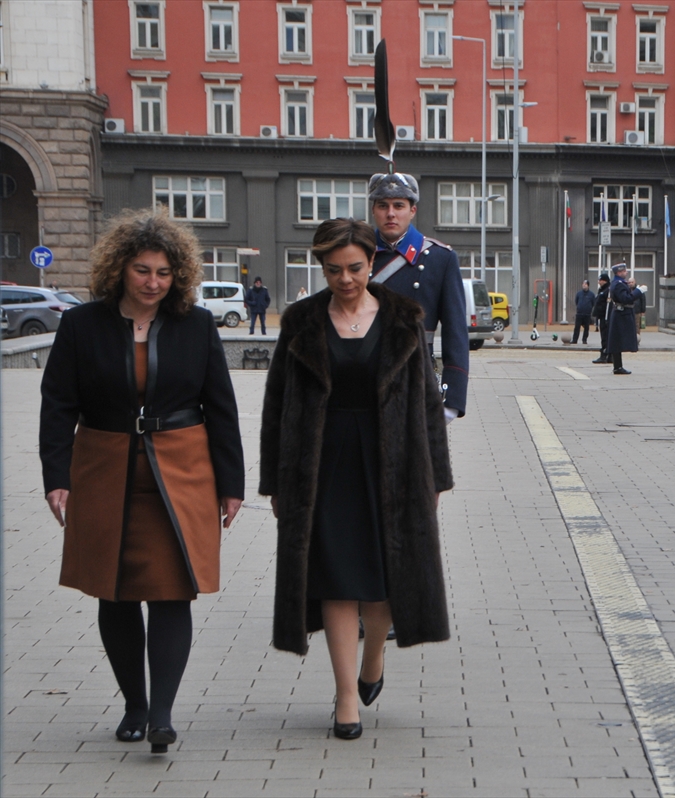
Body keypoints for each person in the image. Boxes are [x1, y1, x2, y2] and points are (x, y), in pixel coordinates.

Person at [39, 207, 244, 755]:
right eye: (143, 271)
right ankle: (133, 701)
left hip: (180, 472)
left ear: (178, 275)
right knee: (115, 591)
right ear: (120, 269)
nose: (153, 283)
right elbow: (58, 404)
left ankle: (161, 714)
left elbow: (221, 408)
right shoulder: (81, 324)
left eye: (163, 273)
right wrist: (56, 476)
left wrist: (232, 483)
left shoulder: (196, 325)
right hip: (103, 468)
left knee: (172, 590)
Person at [260, 218, 453, 741]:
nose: (345, 279)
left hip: (393, 460)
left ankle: (374, 655)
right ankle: (347, 695)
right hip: (320, 464)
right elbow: (276, 403)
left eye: (355, 267)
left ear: (371, 262)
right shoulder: (300, 321)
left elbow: (428, 405)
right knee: (337, 579)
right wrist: (274, 480)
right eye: (333, 269)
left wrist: (436, 475)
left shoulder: (402, 319)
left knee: (385, 575)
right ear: (320, 267)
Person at [368, 172, 468, 422]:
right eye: (383, 206)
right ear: (373, 210)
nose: (391, 213)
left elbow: (456, 331)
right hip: (364, 378)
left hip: (416, 380)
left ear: (412, 210)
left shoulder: (440, 259)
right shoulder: (357, 254)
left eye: (399, 206)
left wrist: (452, 400)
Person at [607, 262, 642, 375]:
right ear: (619, 272)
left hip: (620, 313)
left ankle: (617, 366)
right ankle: (617, 366)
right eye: (624, 271)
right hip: (621, 314)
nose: (626, 273)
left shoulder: (619, 283)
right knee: (617, 341)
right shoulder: (618, 284)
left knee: (616, 341)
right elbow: (625, 298)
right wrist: (638, 292)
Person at [592, 272, 611, 364]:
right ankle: (607, 354)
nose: (599, 282)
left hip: (606, 317)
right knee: (604, 336)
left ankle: (605, 355)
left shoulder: (608, 290)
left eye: (600, 280)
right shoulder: (601, 290)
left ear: (605, 281)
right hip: (601, 316)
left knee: (605, 337)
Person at [569, 279, 595, 345]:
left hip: (587, 314)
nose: (584, 285)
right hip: (579, 313)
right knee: (577, 327)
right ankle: (575, 340)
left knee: (586, 328)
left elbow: (593, 303)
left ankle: (584, 340)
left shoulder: (591, 294)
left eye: (585, 284)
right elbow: (576, 302)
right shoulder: (579, 293)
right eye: (583, 284)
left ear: (588, 285)